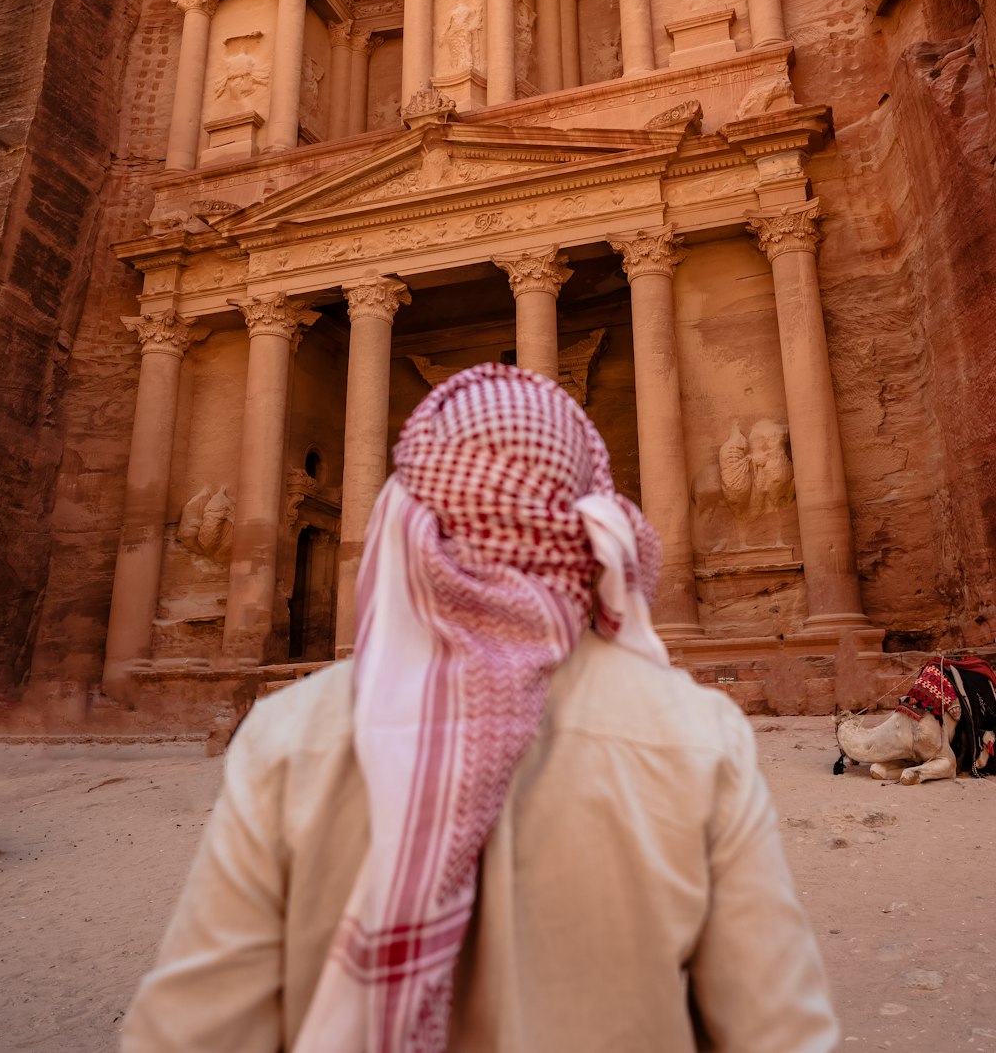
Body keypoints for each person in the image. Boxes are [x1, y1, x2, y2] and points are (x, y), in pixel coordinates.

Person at [122, 363, 838, 1053]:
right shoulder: (698, 736)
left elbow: (191, 1032)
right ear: (581, 514)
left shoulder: (287, 735)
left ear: (409, 517)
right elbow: (777, 1032)